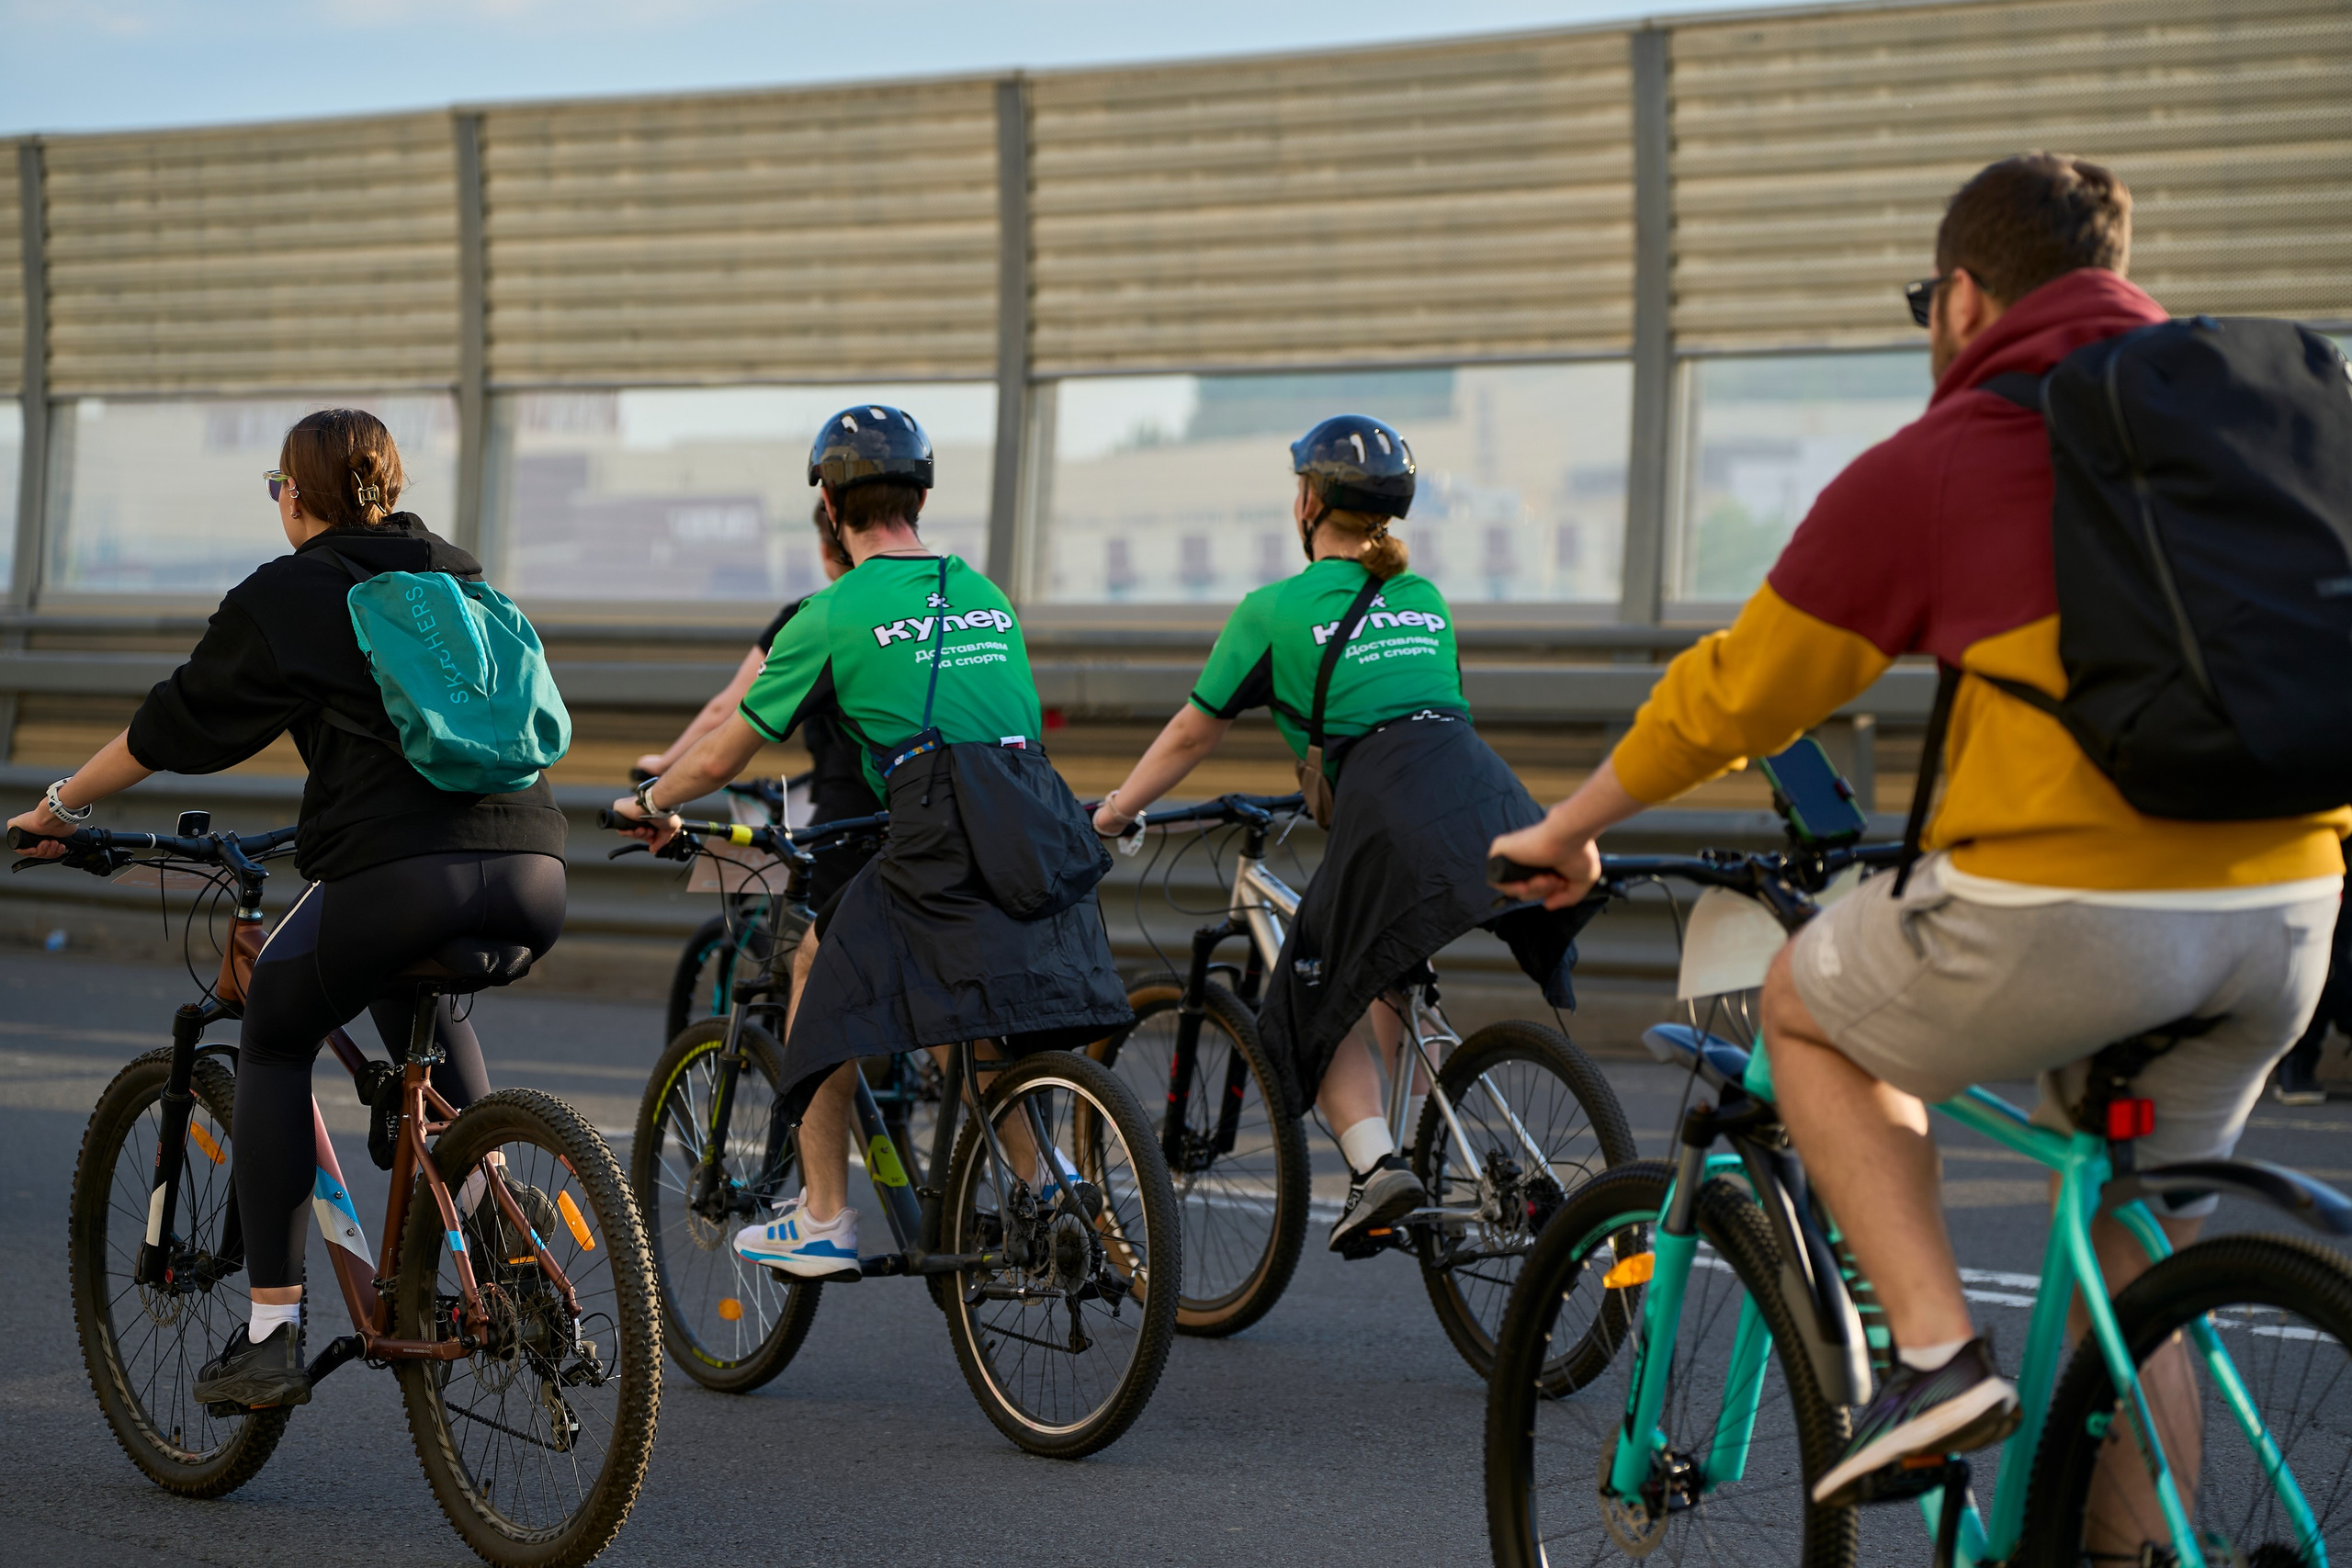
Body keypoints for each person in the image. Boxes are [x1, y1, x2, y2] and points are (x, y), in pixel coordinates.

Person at [1492, 153, 2347, 1514]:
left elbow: (1739, 691)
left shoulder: (1954, 452)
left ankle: (1938, 1357)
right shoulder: (2247, 440)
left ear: (1961, 294)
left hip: (2067, 909)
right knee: (2135, 1268)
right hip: (2293, 908)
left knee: (1806, 1006)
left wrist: (1568, 826)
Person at [7, 409, 570, 1410]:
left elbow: (171, 723)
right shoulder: (463, 578)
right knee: (416, 1026)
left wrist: (58, 808)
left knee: (272, 1028)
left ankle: (270, 1329)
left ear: (295, 496)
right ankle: (490, 1222)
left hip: (402, 873)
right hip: (535, 869)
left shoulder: (295, 589)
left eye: (275, 487)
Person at [612, 403, 1130, 1276]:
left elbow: (731, 744)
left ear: (831, 498)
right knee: (982, 1007)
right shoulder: (985, 593)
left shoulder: (831, 612)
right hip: (1034, 819)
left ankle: (823, 1213)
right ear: (918, 495)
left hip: (932, 821)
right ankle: (1046, 1181)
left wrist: (650, 801)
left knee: (815, 965)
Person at [1091, 414, 1596, 1252]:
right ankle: (1416, 1128)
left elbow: (1194, 730)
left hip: (1392, 809)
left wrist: (1115, 811)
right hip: (1493, 796)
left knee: (1301, 1004)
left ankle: (1375, 1166)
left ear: (1309, 501)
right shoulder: (1423, 596)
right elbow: (1424, 712)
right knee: (1387, 956)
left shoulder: (1272, 611)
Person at [634, 501, 878, 904]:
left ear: (823, 551)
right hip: (916, 801)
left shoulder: (810, 616)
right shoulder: (909, 612)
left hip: (847, 803)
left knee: (812, 926)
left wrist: (664, 765)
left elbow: (728, 706)